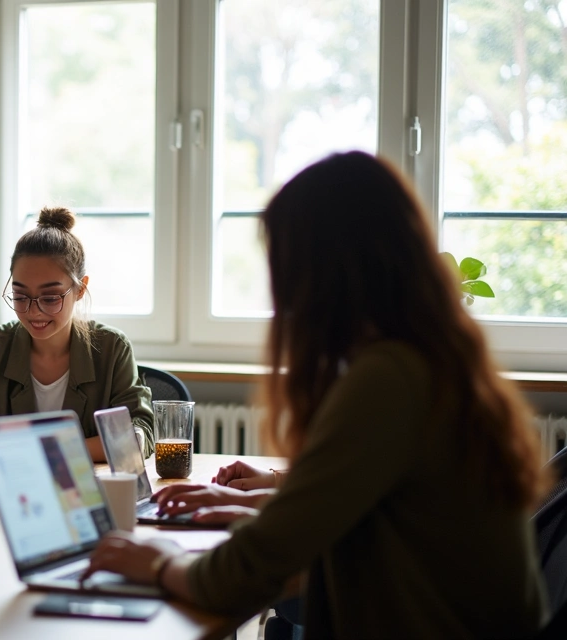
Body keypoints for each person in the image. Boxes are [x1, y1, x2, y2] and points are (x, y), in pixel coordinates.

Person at [81, 152, 549, 637]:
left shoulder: (389, 378)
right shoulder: (436, 360)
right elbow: (375, 519)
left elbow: (238, 576)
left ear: (321, 272)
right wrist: (263, 510)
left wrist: (159, 562)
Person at [0, 207, 152, 462]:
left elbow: (135, 438)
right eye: (20, 296)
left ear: (80, 290)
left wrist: (23, 449)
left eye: (50, 298)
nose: (33, 311)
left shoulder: (112, 349)